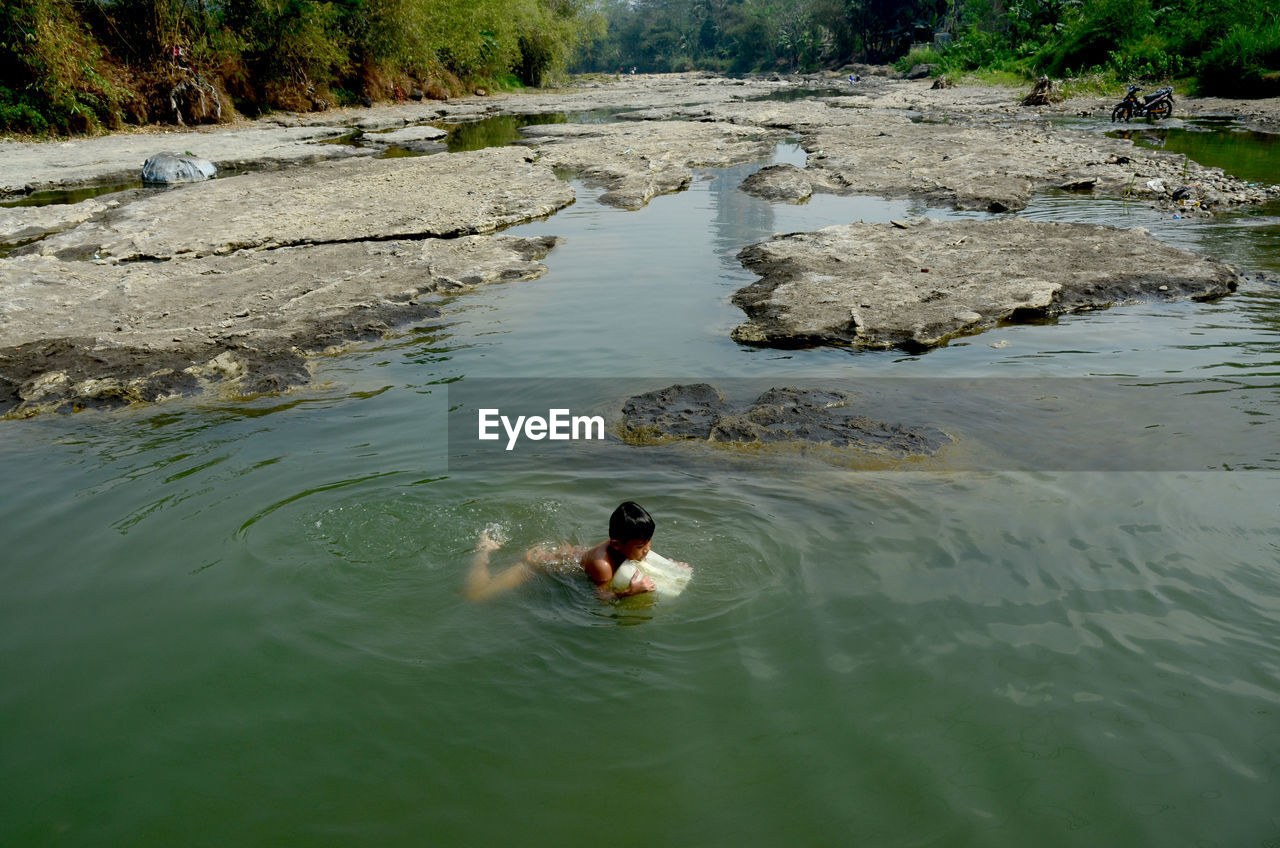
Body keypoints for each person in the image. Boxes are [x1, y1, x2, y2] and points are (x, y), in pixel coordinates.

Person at [465, 501, 661, 601]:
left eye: (648, 542)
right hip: (533, 566)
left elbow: (637, 559)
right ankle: (484, 550)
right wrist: (629, 593)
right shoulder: (602, 566)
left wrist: (669, 567)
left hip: (559, 556)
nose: (648, 550)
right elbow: (601, 599)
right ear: (617, 544)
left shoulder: (624, 545)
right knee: (477, 595)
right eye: (641, 547)